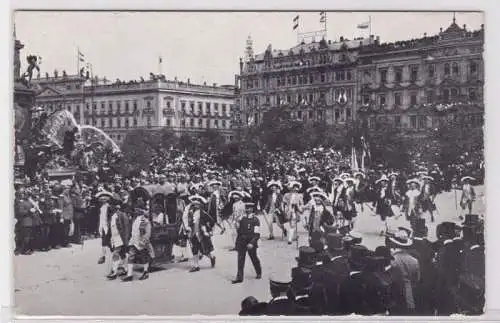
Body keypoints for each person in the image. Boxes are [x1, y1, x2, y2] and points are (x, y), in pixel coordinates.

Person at [183, 195, 216, 272]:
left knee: (204, 250)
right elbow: (186, 221)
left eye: (197, 204)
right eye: (194, 204)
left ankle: (212, 257)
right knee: (194, 249)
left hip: (202, 234)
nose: (195, 206)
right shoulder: (190, 213)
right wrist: (187, 228)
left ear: (201, 205)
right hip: (193, 234)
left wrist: (209, 230)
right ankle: (196, 266)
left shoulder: (203, 213)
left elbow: (212, 222)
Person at [232, 202, 262, 284]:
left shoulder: (255, 220)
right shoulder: (242, 218)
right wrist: (237, 224)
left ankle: (258, 272)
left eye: (248, 208)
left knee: (253, 258)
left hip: (250, 241)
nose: (247, 210)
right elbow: (239, 231)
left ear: (252, 209)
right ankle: (239, 277)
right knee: (240, 259)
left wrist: (252, 243)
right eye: (246, 208)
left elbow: (257, 234)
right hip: (242, 241)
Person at [122, 207, 154, 281]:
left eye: (137, 210)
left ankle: (145, 272)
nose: (136, 212)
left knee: (144, 257)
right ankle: (129, 275)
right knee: (131, 256)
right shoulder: (134, 220)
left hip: (141, 242)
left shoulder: (145, 221)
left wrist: (144, 241)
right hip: (134, 241)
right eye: (135, 210)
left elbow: (147, 233)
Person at [106, 200, 131, 280]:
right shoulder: (111, 216)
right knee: (122, 254)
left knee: (115, 253)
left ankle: (114, 272)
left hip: (120, 238)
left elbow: (126, 228)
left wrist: (126, 240)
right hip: (114, 238)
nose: (110, 207)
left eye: (111, 205)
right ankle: (126, 269)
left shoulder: (122, 215)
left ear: (116, 207)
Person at [96, 191, 113, 264]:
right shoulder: (101, 207)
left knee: (109, 241)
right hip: (102, 225)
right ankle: (103, 255)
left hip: (108, 225)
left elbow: (110, 218)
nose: (103, 201)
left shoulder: (109, 207)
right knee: (104, 241)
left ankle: (112, 255)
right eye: (101, 199)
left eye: (104, 199)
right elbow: (101, 218)